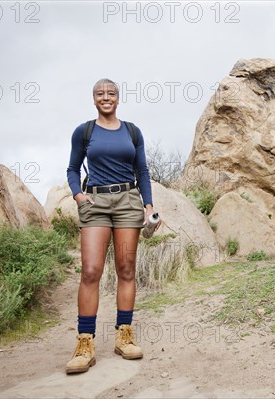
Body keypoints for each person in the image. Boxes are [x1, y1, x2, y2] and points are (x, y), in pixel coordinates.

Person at [65, 78, 159, 374]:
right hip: (95, 203)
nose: (106, 97)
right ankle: (85, 342)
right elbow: (72, 168)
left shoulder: (132, 131)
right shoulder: (84, 131)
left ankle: (124, 335)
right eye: (100, 94)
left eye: (111, 93)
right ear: (93, 99)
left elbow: (141, 170)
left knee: (126, 269)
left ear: (118, 98)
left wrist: (148, 205)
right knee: (91, 271)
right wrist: (79, 196)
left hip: (129, 202)